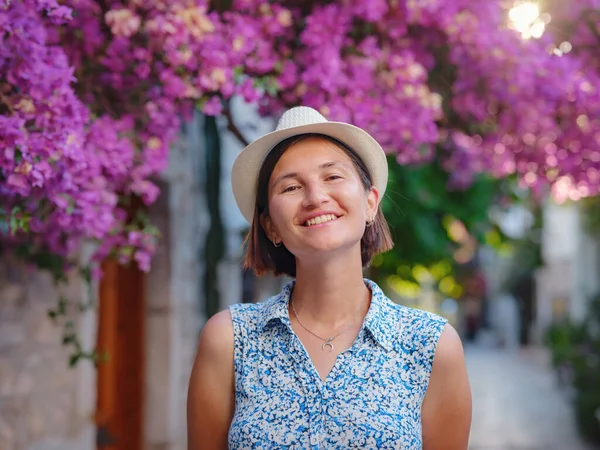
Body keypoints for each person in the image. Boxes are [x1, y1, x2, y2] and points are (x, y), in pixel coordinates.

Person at [187, 106, 472, 449]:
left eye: (332, 177)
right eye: (291, 187)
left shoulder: (431, 345)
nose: (315, 197)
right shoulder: (230, 339)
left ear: (370, 203)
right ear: (270, 226)